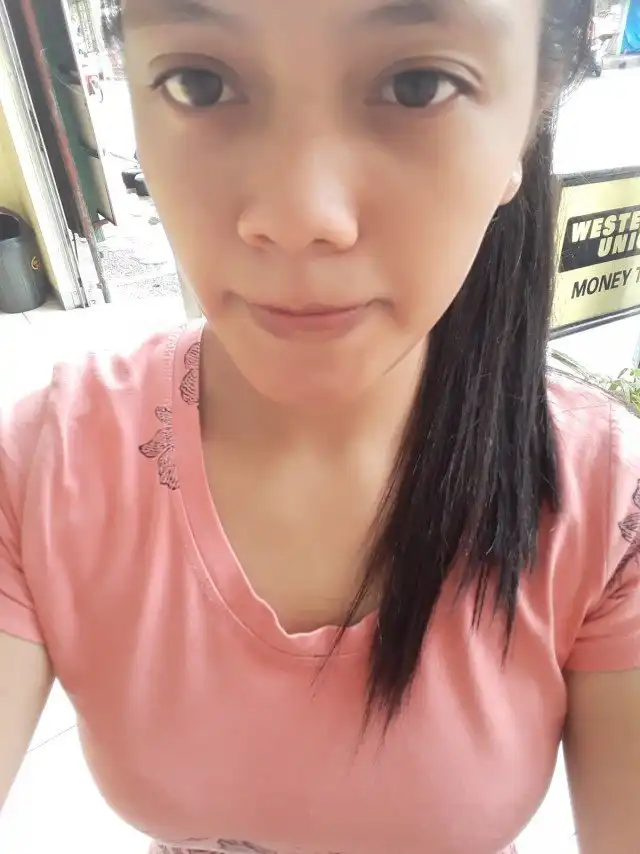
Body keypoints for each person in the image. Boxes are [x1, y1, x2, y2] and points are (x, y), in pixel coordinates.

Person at [1, 1, 639, 852]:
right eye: (199, 82)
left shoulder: (606, 505)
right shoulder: (53, 466)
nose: (298, 215)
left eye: (419, 85)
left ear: (533, 107)